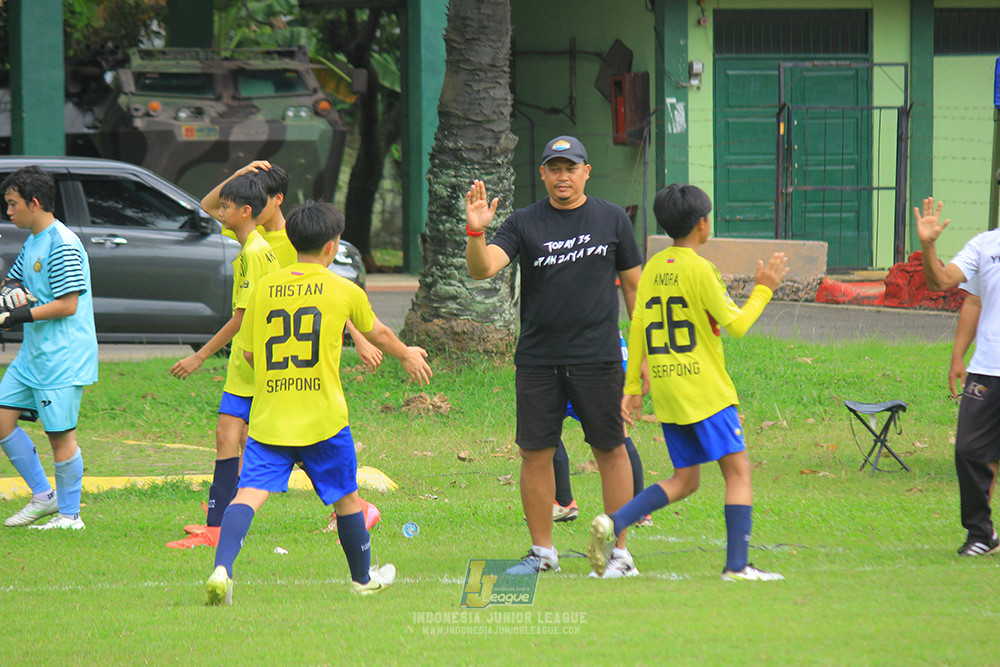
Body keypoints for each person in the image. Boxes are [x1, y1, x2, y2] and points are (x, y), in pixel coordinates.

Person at [205, 200, 432, 604]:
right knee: (346, 499)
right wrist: (407, 354)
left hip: (270, 419)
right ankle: (362, 579)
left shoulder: (264, 289)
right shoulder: (343, 289)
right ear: (332, 246)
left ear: (293, 241)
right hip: (323, 420)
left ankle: (222, 569)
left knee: (247, 495)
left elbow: (251, 354)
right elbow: (378, 333)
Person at [587, 183, 787, 582]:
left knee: (685, 479)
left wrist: (632, 387)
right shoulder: (700, 268)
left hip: (668, 391)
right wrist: (764, 288)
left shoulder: (652, 268)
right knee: (738, 472)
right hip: (705, 391)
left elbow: (637, 328)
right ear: (702, 224)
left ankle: (614, 521)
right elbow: (737, 325)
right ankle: (737, 567)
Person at [465, 135, 643, 578]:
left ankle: (620, 554)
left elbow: (635, 289)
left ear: (586, 172)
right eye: (555, 168)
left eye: (571, 168)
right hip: (539, 359)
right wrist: (476, 231)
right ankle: (543, 552)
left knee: (611, 448)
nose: (563, 176)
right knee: (535, 453)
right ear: (543, 174)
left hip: (597, 357)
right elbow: (483, 267)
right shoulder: (524, 222)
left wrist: (643, 355)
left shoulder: (613, 219)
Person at [166, 174, 279, 549]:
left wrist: (199, 356)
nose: (220, 212)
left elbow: (241, 318)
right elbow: (208, 203)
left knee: (289, 448)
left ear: (245, 212)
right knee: (228, 438)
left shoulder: (253, 253)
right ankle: (216, 527)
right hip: (246, 366)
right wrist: (243, 172)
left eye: (228, 207)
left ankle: (352, 505)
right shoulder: (252, 243)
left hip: (253, 367)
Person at [201, 161, 382, 371]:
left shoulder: (297, 239)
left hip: (282, 340)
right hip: (249, 340)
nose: (254, 206)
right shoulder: (250, 231)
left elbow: (326, 291)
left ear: (278, 199)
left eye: (260, 200)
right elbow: (207, 206)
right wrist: (237, 175)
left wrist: (359, 338)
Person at [0, 165, 97, 530]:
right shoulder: (34, 241)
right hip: (34, 354)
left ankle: (70, 516)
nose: (8, 211)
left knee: (60, 435)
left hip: (62, 357)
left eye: (13, 204)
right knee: (2, 419)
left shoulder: (62, 243)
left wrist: (15, 316)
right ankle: (44, 496)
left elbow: (68, 305)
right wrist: (10, 292)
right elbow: (13, 280)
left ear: (35, 203)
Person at [915, 197, 1000, 556]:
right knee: (970, 451)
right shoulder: (984, 245)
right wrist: (928, 246)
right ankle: (981, 534)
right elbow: (943, 283)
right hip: (987, 369)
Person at [553, 333, 650, 526]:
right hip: (603, 350)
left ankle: (564, 502)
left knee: (543, 424)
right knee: (544, 424)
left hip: (589, 356)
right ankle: (639, 510)